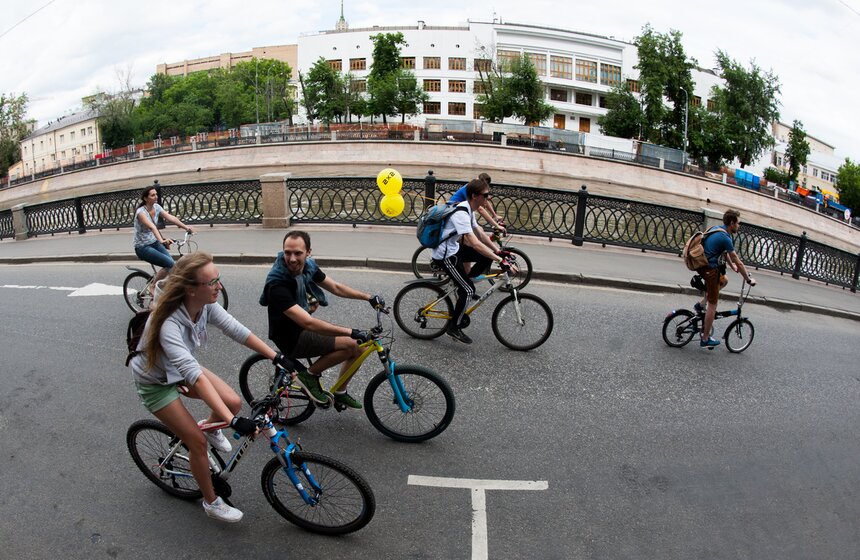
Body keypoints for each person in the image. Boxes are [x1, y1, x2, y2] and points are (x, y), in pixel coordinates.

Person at [130, 252, 294, 523]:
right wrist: (232, 422)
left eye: (219, 279)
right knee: (197, 441)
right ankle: (211, 502)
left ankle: (210, 426)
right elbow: (195, 376)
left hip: (180, 370)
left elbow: (236, 329)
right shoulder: (167, 324)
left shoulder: (204, 305)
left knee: (233, 402)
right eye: (213, 282)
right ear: (191, 289)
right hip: (156, 384)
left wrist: (275, 356)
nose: (220, 286)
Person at [261, 231, 385, 408]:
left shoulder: (308, 266)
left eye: (298, 253)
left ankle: (340, 392)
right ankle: (308, 376)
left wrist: (369, 297)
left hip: (301, 327)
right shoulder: (277, 284)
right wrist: (351, 332)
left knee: (358, 349)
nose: (292, 258)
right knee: (352, 344)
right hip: (290, 337)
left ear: (308, 252)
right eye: (287, 252)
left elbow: (335, 287)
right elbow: (308, 323)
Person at [432, 178, 514, 344]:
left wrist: (497, 251)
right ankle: (453, 328)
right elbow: (475, 242)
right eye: (486, 195)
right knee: (469, 290)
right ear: (475, 196)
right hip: (445, 255)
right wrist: (499, 259)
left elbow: (481, 235)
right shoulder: (462, 213)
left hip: (453, 248)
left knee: (485, 257)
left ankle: (463, 282)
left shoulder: (469, 209)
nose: (488, 198)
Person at [693, 209, 756, 348]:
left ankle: (700, 305)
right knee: (713, 305)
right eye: (738, 223)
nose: (739, 226)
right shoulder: (725, 237)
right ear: (732, 223)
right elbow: (738, 260)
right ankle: (705, 338)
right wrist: (748, 279)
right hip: (710, 270)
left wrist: (731, 265)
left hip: (703, 265)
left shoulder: (719, 230)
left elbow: (724, 251)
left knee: (724, 280)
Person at [133, 186, 194, 284]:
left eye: (156, 194)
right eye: (153, 195)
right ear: (145, 198)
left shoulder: (156, 207)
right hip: (143, 247)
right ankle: (153, 286)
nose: (156, 196)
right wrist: (161, 241)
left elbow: (171, 218)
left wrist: (186, 228)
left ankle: (162, 286)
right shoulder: (141, 212)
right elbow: (152, 227)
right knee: (170, 264)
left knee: (173, 266)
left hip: (154, 242)